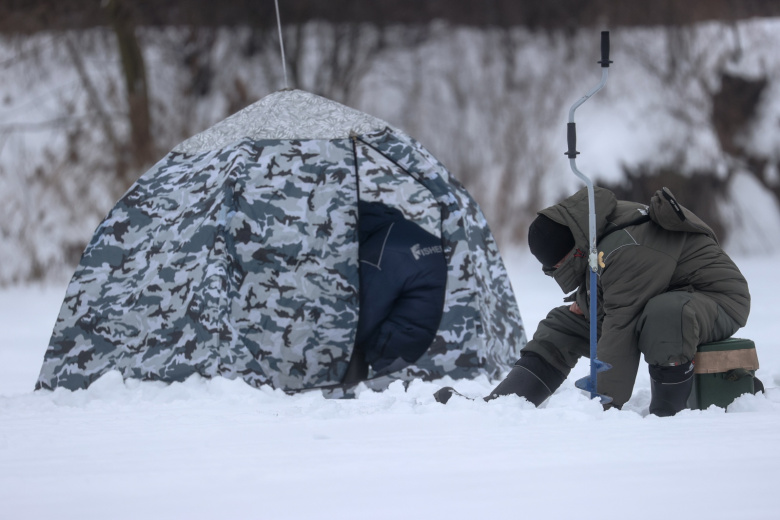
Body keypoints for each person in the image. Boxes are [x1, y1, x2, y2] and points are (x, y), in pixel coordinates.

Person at [438, 186, 751, 416]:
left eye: (556, 268)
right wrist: (586, 303)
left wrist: (603, 404)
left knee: (663, 316)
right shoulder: (592, 229)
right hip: (661, 290)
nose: (554, 274)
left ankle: (667, 417)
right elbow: (607, 280)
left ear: (572, 253)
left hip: (716, 298)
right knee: (563, 324)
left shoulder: (624, 247)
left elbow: (621, 323)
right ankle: (500, 406)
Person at [343, 200, 447, 384]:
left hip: (404, 351)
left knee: (347, 342)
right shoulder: (404, 230)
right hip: (445, 337)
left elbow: (363, 317)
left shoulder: (378, 251)